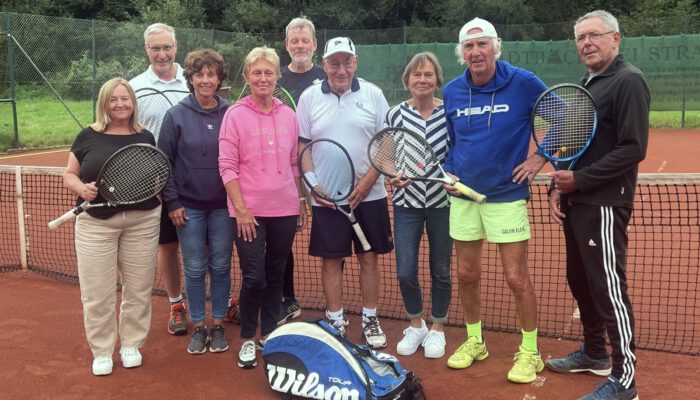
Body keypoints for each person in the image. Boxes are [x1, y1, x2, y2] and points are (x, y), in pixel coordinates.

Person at [538, 10, 649, 400]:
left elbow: (634, 148)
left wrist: (580, 181)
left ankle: (624, 381)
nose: (586, 43)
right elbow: (574, 143)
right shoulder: (590, 83)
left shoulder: (628, 81)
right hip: (576, 200)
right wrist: (560, 188)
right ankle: (595, 353)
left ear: (615, 39)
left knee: (608, 289)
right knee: (580, 281)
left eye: (594, 36)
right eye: (580, 37)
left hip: (603, 202)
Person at [441, 18, 548, 383]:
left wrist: (539, 157)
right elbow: (455, 143)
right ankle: (476, 341)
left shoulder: (524, 82)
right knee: (466, 274)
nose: (476, 52)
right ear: (462, 53)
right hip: (464, 197)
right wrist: (450, 172)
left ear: (495, 47)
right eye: (469, 47)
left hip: (507, 196)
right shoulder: (454, 91)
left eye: (482, 45)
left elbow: (566, 116)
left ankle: (530, 351)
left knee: (516, 278)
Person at [297, 37, 393, 349]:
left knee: (369, 257)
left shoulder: (374, 94)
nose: (341, 69)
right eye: (334, 62)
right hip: (327, 198)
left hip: (372, 195)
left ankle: (369, 317)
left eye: (346, 62)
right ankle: (336, 319)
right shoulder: (309, 97)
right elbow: (303, 146)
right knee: (331, 260)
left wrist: (368, 180)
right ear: (324, 64)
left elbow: (387, 142)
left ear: (355, 62)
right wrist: (313, 184)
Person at [62, 77, 161, 376]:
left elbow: (153, 174)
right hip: (96, 224)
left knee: (139, 289)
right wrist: (81, 189)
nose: (120, 104)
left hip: (143, 222)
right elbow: (69, 174)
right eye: (114, 99)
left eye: (125, 98)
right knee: (97, 292)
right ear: (104, 103)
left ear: (133, 102)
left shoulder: (146, 136)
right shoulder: (87, 136)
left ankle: (131, 344)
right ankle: (102, 350)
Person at [219, 47, 307, 369]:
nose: (263, 78)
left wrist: (300, 201)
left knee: (275, 273)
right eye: (256, 72)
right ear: (247, 77)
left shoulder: (288, 115)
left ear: (277, 77)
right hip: (248, 212)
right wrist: (241, 210)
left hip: (284, 207)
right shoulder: (234, 115)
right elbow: (227, 166)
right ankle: (246, 338)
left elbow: (294, 164)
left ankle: (268, 335)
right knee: (253, 276)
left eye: (268, 72)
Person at [158, 49, 233, 355]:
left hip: (222, 206)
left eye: (211, 74)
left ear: (219, 79)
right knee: (194, 267)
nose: (205, 80)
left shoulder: (230, 113)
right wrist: (173, 202)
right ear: (190, 79)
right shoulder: (175, 115)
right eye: (199, 74)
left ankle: (217, 324)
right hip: (187, 207)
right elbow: (164, 162)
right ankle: (198, 325)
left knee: (221, 265)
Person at [384, 52, 451, 359]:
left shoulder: (449, 112)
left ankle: (437, 328)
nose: (422, 80)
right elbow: (384, 155)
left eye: (428, 75)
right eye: (416, 75)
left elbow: (460, 150)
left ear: (437, 80)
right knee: (405, 270)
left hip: (443, 203)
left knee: (441, 269)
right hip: (406, 203)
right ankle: (416, 324)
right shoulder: (395, 114)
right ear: (407, 81)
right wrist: (391, 175)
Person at [129, 22, 190, 337]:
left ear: (176, 47)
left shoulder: (192, 81)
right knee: (167, 246)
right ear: (147, 50)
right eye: (156, 48)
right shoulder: (134, 88)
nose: (162, 54)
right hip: (155, 184)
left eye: (167, 47)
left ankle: (220, 301)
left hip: (194, 180)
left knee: (209, 245)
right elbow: (128, 135)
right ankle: (177, 304)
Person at [276, 16, 327, 324]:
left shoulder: (327, 76)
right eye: (294, 41)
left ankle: (335, 308)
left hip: (323, 169)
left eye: (304, 40)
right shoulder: (275, 78)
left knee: (331, 233)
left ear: (314, 45)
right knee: (282, 236)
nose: (299, 45)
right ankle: (287, 298)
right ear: (286, 45)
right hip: (284, 173)